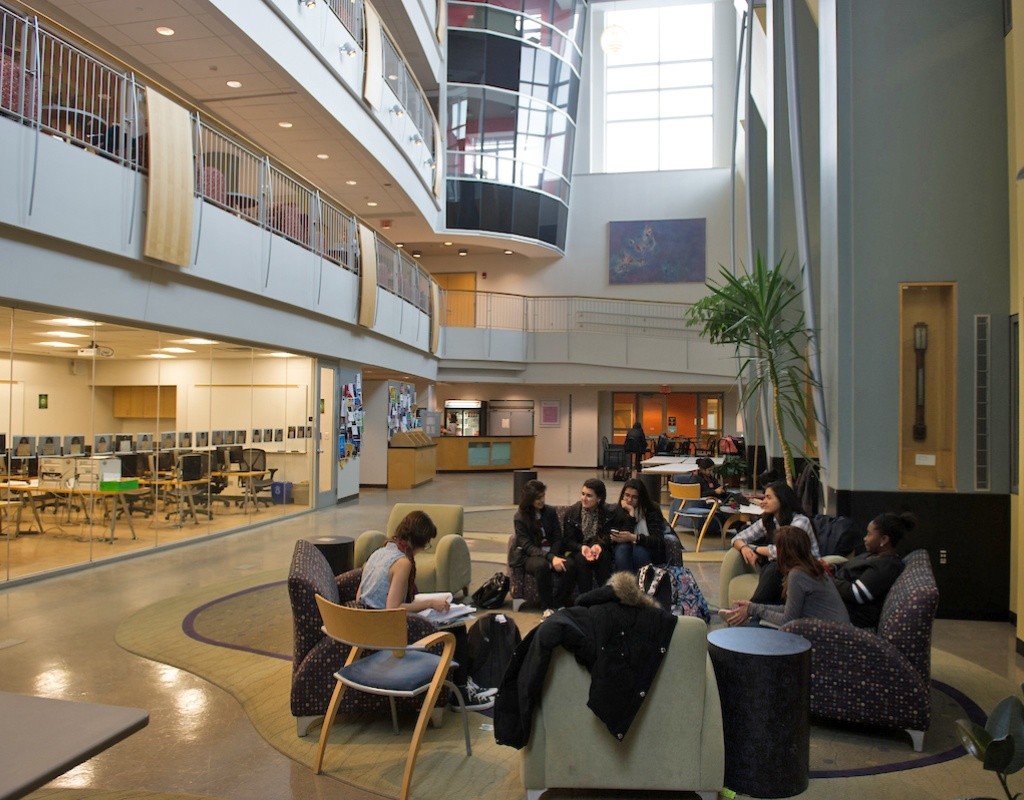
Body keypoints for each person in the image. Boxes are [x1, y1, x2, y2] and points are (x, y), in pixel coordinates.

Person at [357, 511, 487, 708]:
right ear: (417, 540)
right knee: (456, 628)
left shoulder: (380, 552)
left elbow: (360, 596)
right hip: (386, 632)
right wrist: (430, 604)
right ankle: (461, 691)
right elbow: (393, 608)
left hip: (366, 624)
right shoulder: (402, 562)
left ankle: (461, 685)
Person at [723, 525, 850, 627]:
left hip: (828, 636)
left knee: (752, 629)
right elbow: (790, 609)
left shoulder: (798, 575)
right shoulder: (813, 568)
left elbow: (788, 620)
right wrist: (753, 608)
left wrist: (754, 609)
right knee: (755, 621)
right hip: (832, 630)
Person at [730, 480, 818, 604]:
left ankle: (752, 608)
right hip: (783, 567)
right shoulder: (769, 520)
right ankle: (755, 611)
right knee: (771, 568)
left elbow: (783, 551)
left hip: (805, 567)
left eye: (769, 497)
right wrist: (744, 547)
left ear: (782, 499)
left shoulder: (800, 521)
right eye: (764, 497)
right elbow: (737, 538)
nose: (763, 501)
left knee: (773, 568)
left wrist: (755, 549)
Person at [833, 512, 914, 628]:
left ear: (884, 539)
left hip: (848, 616)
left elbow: (856, 593)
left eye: (869, 534)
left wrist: (828, 580)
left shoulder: (887, 567)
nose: (865, 538)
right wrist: (832, 568)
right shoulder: (874, 555)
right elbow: (850, 567)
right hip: (836, 600)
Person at [510, 479, 575, 617]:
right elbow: (527, 546)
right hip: (532, 557)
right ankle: (547, 606)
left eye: (543, 496)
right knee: (541, 566)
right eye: (537, 498)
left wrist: (553, 555)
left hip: (553, 552)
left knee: (570, 565)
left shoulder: (550, 512)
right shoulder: (520, 517)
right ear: (529, 499)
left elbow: (558, 538)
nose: (541, 501)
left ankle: (559, 603)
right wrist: (550, 559)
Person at [561, 478, 614, 594]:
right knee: (582, 559)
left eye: (589, 496)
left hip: (599, 547)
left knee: (604, 557)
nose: (584, 498)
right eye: (583, 494)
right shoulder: (571, 513)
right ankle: (586, 599)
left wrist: (599, 546)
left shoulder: (607, 514)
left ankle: (605, 598)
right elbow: (568, 541)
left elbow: (608, 536)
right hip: (578, 548)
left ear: (599, 499)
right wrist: (582, 548)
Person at [609, 478, 667, 573]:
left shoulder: (652, 510)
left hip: (649, 547)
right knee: (622, 549)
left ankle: (643, 584)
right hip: (626, 547)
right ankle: (626, 585)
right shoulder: (618, 510)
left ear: (641, 498)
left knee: (639, 550)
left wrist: (635, 538)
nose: (629, 500)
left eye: (634, 497)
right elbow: (623, 536)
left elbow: (658, 540)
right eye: (627, 495)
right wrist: (631, 513)